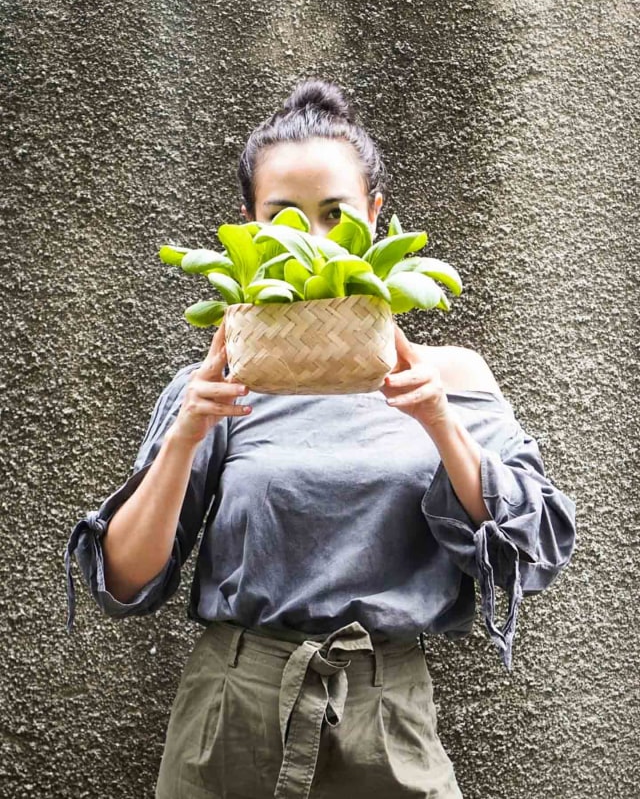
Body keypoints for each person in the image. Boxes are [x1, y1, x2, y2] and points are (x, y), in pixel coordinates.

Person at [65, 78, 576, 799]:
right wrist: (186, 434)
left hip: (387, 719)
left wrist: (440, 422)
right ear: (247, 225)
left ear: (372, 216)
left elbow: (530, 549)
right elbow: (124, 580)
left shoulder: (450, 375)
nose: (311, 239)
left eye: (335, 215)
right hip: (227, 721)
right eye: (283, 216)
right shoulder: (218, 381)